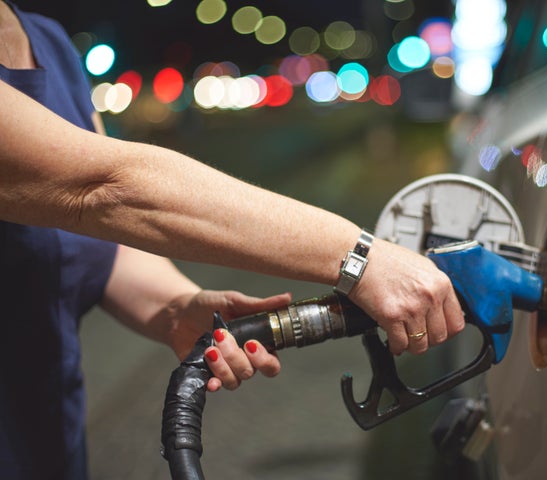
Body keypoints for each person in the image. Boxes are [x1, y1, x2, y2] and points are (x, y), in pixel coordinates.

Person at [0, 2, 464, 478]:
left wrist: (178, 307)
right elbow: (103, 190)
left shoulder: (49, 43)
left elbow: (96, 238)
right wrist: (361, 259)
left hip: (49, 440)